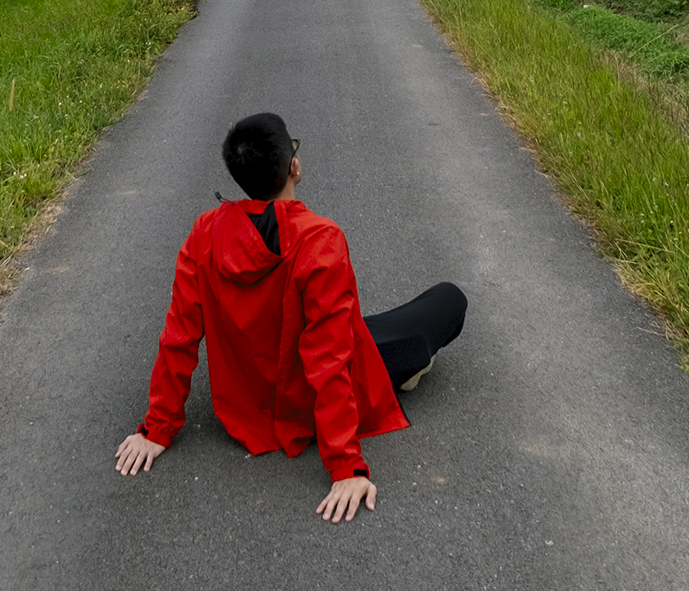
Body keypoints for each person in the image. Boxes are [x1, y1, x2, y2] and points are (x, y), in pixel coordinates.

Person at [113, 111, 467, 521]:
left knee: (369, 324)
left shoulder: (204, 232)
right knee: (448, 298)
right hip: (309, 398)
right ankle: (409, 368)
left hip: (249, 403)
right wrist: (345, 465)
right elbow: (329, 355)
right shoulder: (319, 238)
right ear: (293, 166)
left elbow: (180, 335)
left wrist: (157, 427)